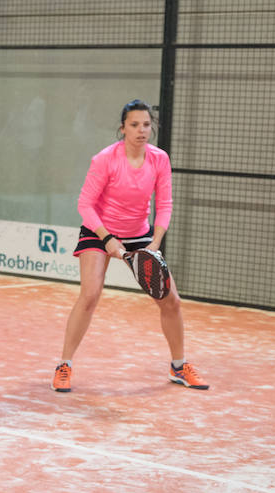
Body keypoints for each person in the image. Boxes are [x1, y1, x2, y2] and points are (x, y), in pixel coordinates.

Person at [52, 99, 208, 393]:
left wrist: (155, 242)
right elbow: (85, 204)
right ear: (122, 128)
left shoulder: (160, 159)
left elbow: (164, 204)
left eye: (146, 125)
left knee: (171, 301)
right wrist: (108, 238)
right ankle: (64, 365)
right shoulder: (105, 159)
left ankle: (179, 367)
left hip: (140, 234)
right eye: (134, 125)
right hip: (99, 229)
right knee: (90, 294)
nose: (141, 130)